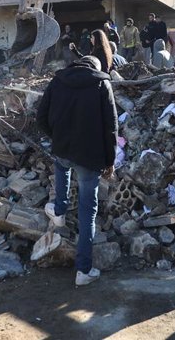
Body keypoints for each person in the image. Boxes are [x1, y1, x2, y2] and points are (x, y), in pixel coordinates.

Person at [37, 56, 118, 286]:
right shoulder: (102, 84)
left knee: (62, 165)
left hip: (64, 150)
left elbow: (40, 117)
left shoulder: (58, 81)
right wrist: (110, 160)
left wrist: (57, 138)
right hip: (89, 158)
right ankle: (83, 271)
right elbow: (111, 126)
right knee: (87, 212)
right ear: (96, 68)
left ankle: (60, 211)